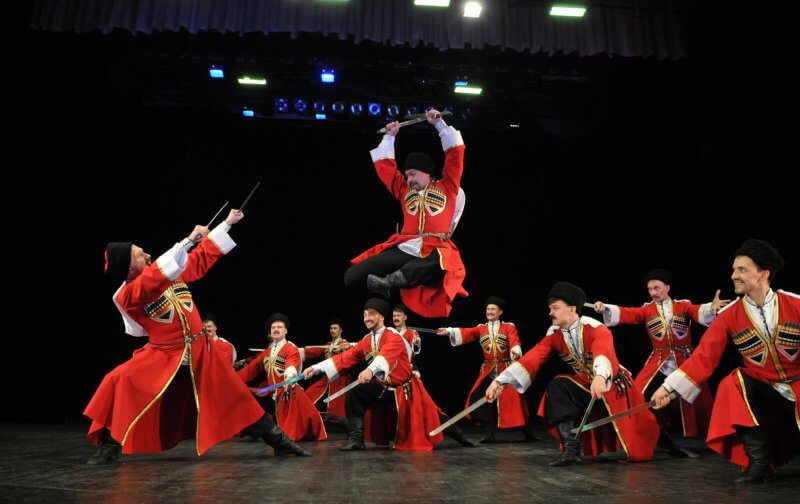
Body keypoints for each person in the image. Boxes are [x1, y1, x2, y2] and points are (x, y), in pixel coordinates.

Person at [84, 209, 310, 465]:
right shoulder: (130, 294)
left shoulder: (169, 272)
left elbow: (199, 258)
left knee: (236, 396)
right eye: (139, 254)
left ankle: (280, 441)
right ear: (128, 267)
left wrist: (226, 224)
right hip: (164, 355)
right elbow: (152, 280)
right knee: (118, 380)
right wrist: (188, 240)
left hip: (201, 351)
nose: (146, 254)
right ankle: (109, 444)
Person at [652, 239, 800, 483]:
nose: (734, 276)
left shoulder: (795, 304)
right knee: (733, 382)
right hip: (766, 391)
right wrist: (668, 389)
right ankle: (759, 463)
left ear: (764, 274)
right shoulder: (728, 315)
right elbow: (704, 356)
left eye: (742, 269)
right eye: (733, 270)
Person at [485, 282, 660, 465]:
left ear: (572, 310)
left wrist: (600, 376)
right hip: (587, 385)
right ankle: (571, 450)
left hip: (613, 386)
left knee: (635, 446)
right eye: (550, 308)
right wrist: (500, 382)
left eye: (555, 308)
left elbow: (603, 352)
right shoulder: (555, 335)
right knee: (557, 385)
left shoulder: (596, 328)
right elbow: (533, 357)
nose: (550, 312)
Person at [343, 109, 468, 318]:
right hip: (406, 246)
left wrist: (439, 124)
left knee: (445, 261)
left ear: (427, 173)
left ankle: (392, 281)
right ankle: (386, 285)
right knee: (352, 277)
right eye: (407, 175)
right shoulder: (404, 190)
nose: (409, 179)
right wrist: (389, 136)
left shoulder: (448, 187)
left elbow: (455, 154)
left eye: (413, 174)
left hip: (434, 248)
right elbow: (386, 169)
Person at [592, 269, 730, 458]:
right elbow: (628, 313)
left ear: (667, 288)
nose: (653, 292)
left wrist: (710, 308)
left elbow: (697, 311)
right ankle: (654, 436)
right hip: (659, 360)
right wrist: (605, 308)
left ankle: (721, 440)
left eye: (657, 288)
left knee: (700, 404)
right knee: (638, 394)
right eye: (650, 289)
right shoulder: (647, 310)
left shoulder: (683, 306)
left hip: (685, 360)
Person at [302, 298, 443, 450]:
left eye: (371, 314)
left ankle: (458, 435)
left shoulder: (393, 336)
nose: (367, 318)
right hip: (385, 386)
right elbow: (345, 357)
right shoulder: (367, 340)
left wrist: (370, 370)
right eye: (364, 315)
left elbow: (385, 356)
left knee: (434, 415)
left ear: (381, 317)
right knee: (354, 393)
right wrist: (316, 368)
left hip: (404, 389)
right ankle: (356, 439)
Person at [436, 296, 531, 443]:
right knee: (477, 397)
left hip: (506, 368)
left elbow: (514, 340)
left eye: (493, 309)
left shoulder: (508, 327)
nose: (490, 311)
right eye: (488, 309)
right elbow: (467, 332)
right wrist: (448, 331)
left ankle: (527, 432)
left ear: (500, 312)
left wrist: (515, 351)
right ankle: (488, 433)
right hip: (488, 370)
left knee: (515, 401)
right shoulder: (481, 328)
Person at [392, 304, 479, 447]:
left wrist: (416, 343)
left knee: (431, 410)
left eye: (399, 315)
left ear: (405, 317)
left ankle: (461, 437)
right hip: (393, 378)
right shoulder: (390, 334)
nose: (396, 318)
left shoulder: (412, 333)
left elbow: (415, 350)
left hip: (408, 377)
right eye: (394, 315)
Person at [237, 313, 326, 442]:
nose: (276, 329)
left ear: (285, 331)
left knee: (309, 419)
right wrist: (232, 380)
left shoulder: (290, 348)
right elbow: (251, 369)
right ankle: (256, 430)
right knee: (247, 395)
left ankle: (343, 423)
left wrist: (289, 378)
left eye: (279, 327)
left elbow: (292, 363)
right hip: (272, 393)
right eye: (273, 327)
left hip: (287, 392)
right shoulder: (267, 352)